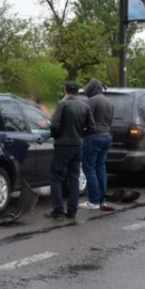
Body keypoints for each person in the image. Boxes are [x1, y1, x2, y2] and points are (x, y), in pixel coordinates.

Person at [45, 81, 95, 220]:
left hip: (62, 145)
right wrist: (80, 135)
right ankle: (72, 210)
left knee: (56, 176)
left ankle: (58, 209)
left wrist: (55, 135)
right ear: (78, 91)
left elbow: (54, 125)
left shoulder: (63, 104)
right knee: (74, 177)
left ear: (65, 90)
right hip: (77, 146)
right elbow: (92, 128)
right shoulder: (85, 106)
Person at [79, 78, 115, 211]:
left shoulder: (92, 101)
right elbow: (110, 122)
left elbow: (84, 120)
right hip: (106, 137)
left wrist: (82, 132)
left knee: (89, 168)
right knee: (101, 168)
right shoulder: (109, 102)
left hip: (93, 137)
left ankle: (93, 200)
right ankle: (102, 201)